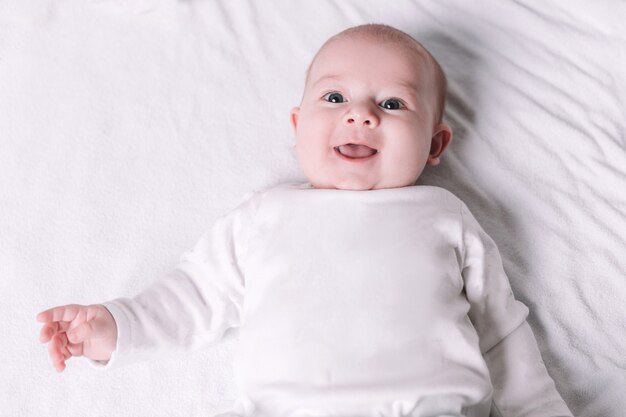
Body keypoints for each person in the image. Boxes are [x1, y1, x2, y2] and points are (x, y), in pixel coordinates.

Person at [37, 24, 573, 417]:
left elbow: (500, 328)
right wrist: (116, 327)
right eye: (334, 97)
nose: (360, 114)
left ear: (434, 144)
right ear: (298, 126)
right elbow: (193, 296)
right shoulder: (266, 216)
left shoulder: (444, 216)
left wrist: (539, 408)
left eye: (392, 103)